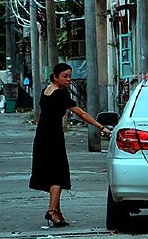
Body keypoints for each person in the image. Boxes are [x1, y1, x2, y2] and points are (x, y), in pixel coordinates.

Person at [29, 62, 111, 228]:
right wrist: (101, 127)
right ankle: (52, 210)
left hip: (41, 136)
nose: (68, 80)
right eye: (64, 76)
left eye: (69, 76)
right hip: (53, 136)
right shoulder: (61, 94)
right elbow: (81, 113)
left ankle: (58, 213)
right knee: (58, 173)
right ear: (55, 77)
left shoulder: (45, 91)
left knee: (50, 172)